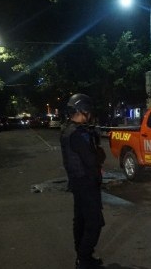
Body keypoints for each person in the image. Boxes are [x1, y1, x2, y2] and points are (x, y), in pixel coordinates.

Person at [60, 93, 106, 269]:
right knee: (94, 223)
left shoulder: (67, 129)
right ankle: (84, 259)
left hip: (77, 182)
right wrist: (98, 151)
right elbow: (91, 160)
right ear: (83, 110)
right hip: (86, 183)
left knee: (80, 221)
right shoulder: (78, 134)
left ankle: (82, 258)